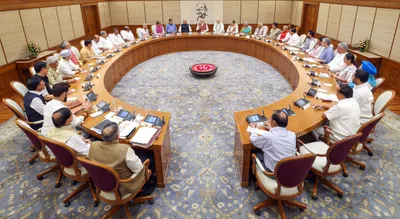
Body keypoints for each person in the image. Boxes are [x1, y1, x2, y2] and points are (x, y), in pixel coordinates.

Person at [89, 122, 151, 195]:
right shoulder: (125, 149)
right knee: (148, 158)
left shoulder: (93, 145)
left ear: (102, 136)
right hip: (123, 186)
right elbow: (138, 168)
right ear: (118, 136)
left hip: (102, 182)